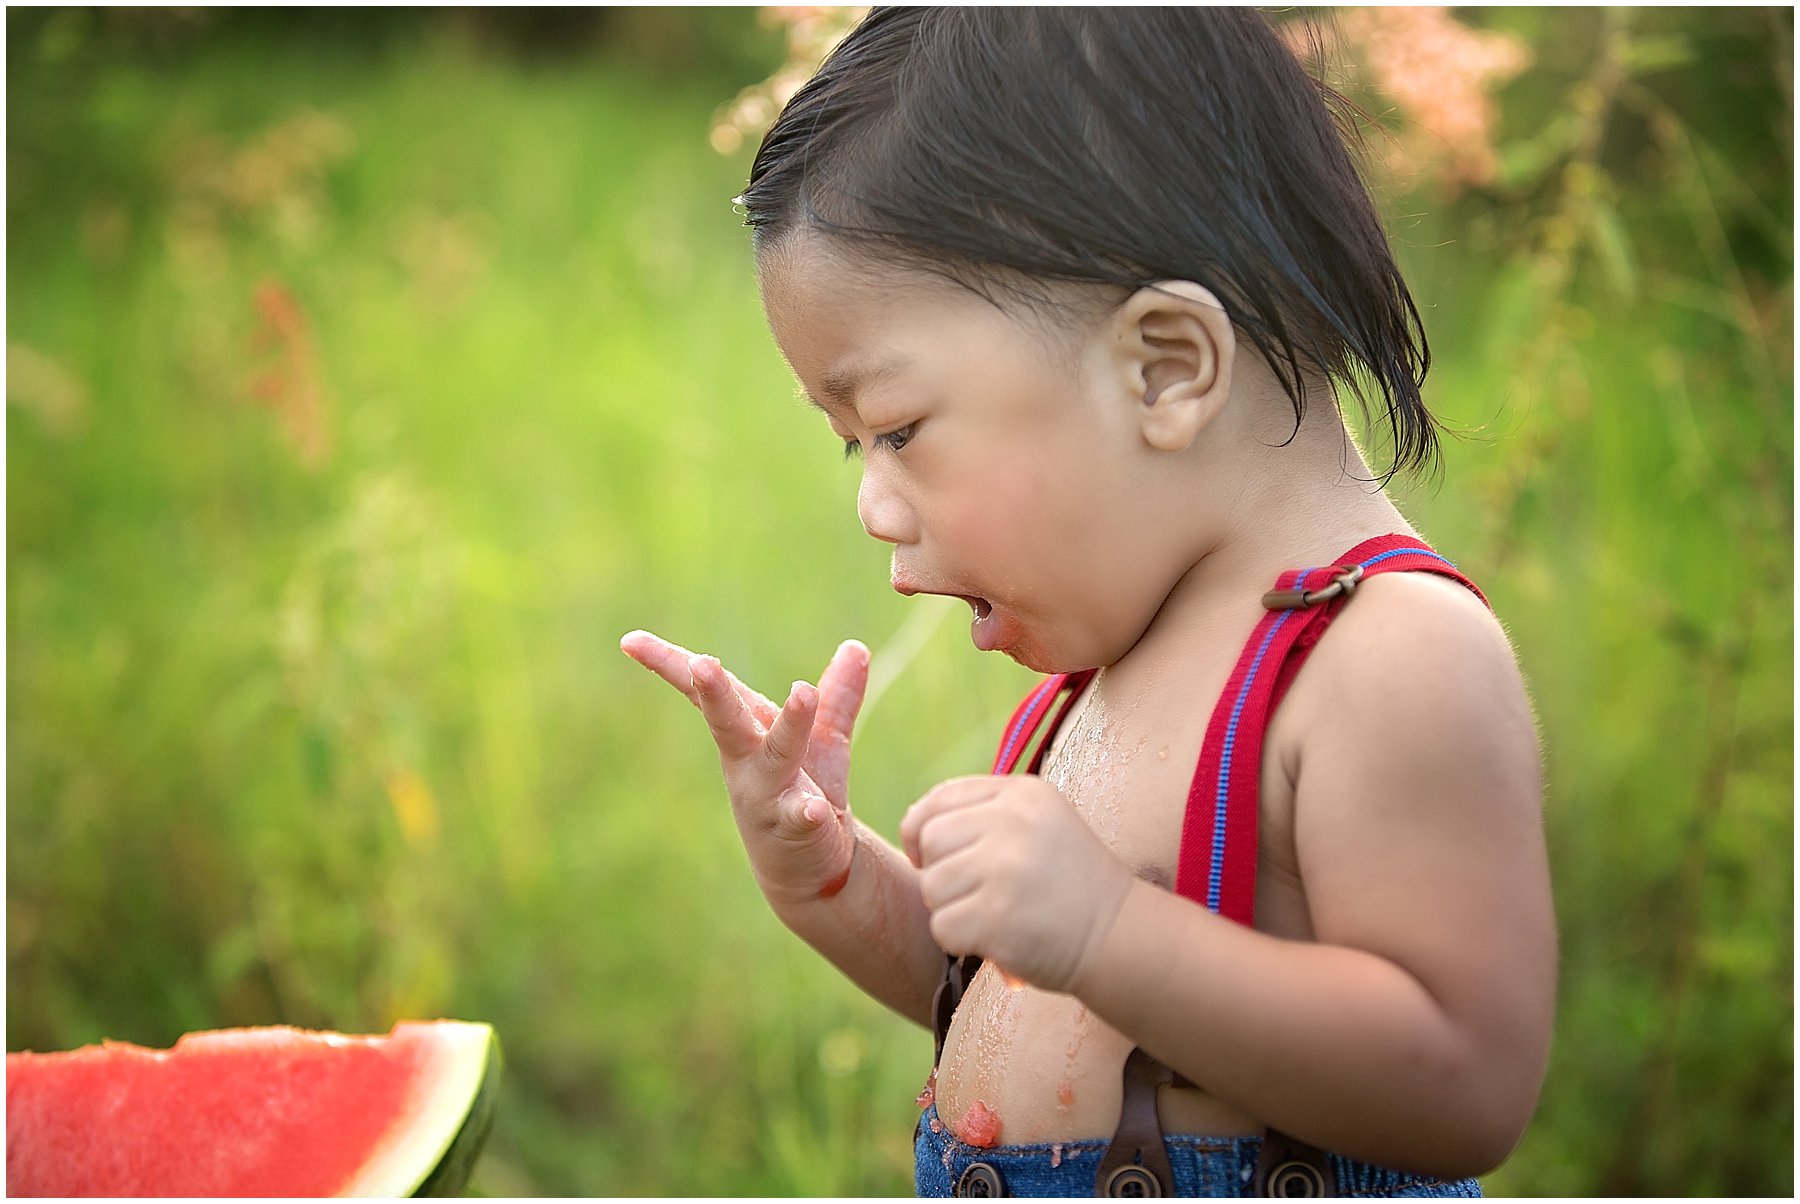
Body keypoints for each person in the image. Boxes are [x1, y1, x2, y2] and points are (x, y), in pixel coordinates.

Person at [622, 8, 1554, 1197]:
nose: (876, 507)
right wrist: (847, 888)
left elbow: (1466, 1081)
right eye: (857, 448)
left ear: (1166, 365)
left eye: (899, 428)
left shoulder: (1388, 657)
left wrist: (1111, 932)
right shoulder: (1114, 666)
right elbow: (1051, 1012)